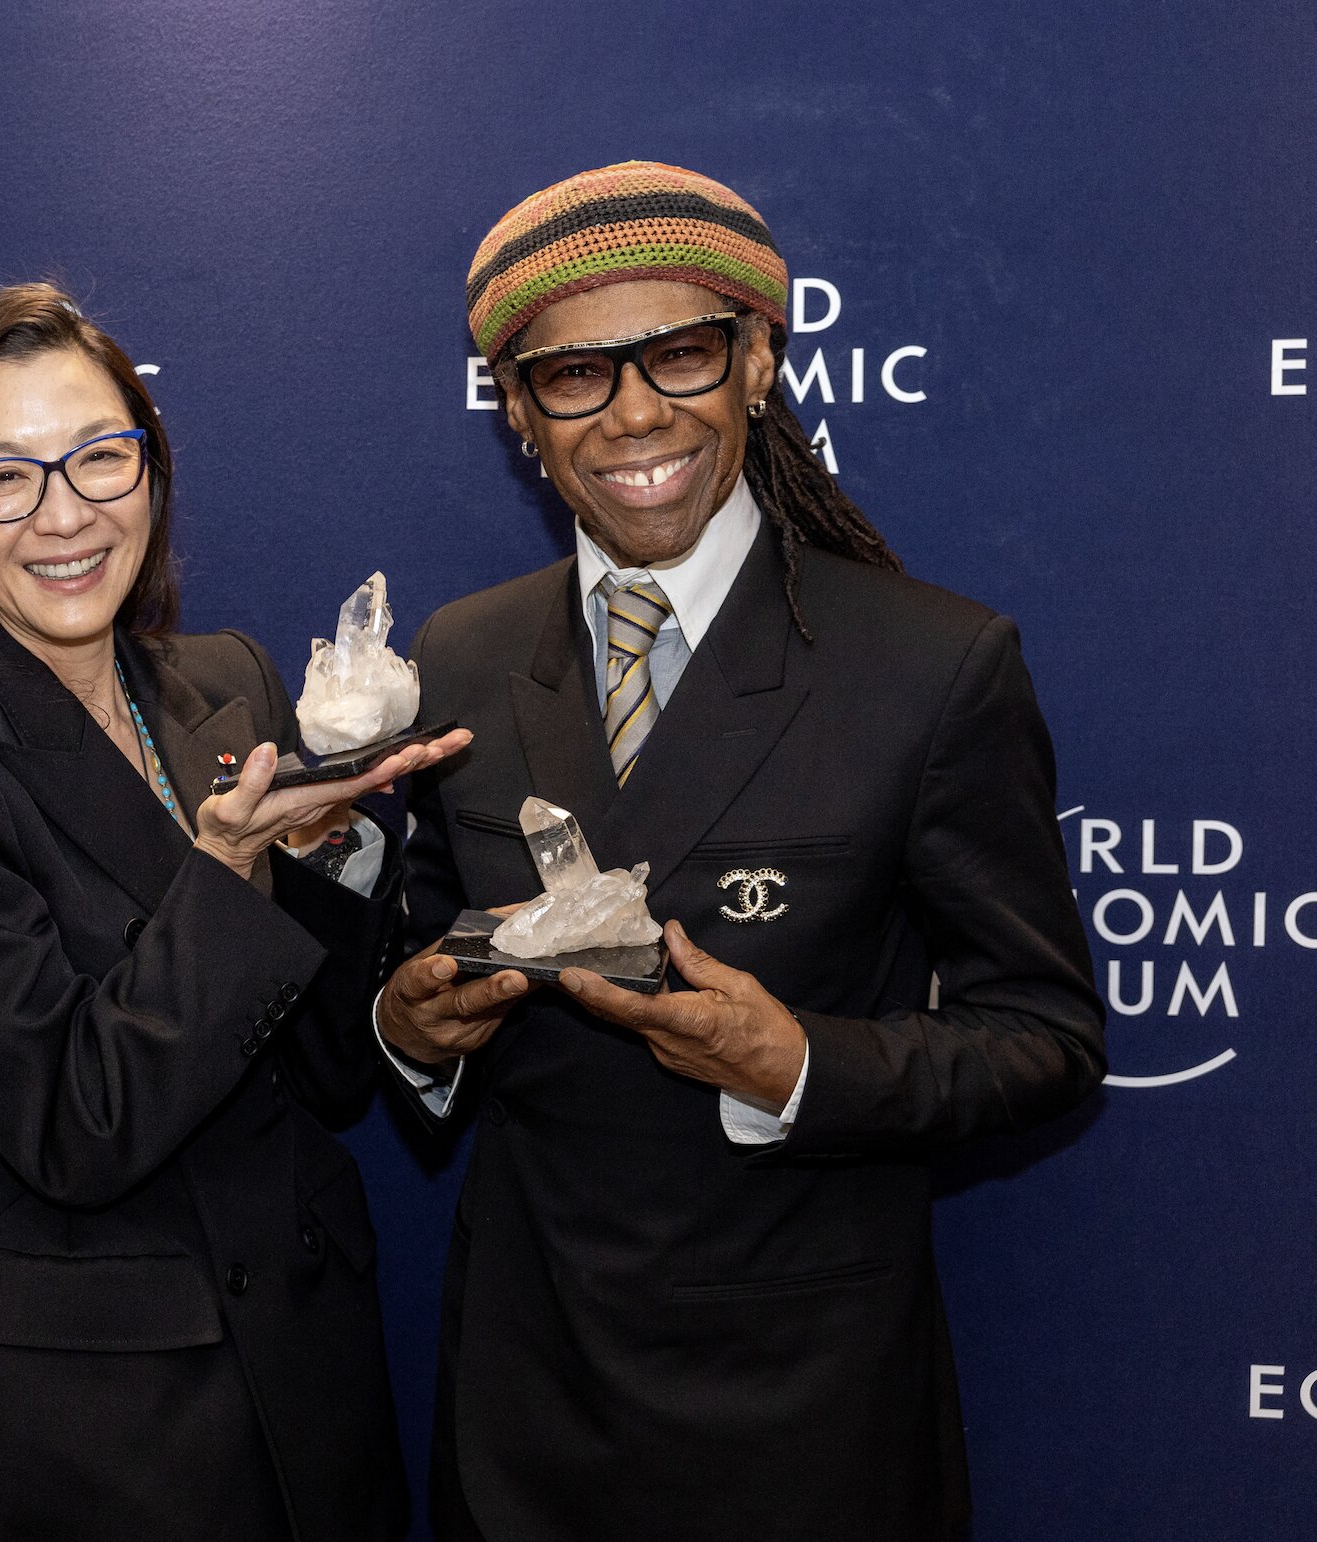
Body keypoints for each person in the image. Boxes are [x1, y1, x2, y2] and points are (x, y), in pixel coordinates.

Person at [374, 161, 1106, 1540]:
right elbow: (419, 952)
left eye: (681, 353)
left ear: (756, 360)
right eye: (576, 375)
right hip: (530, 1390)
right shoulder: (458, 655)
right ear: (520, 413)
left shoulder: (929, 662)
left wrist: (804, 1066)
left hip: (805, 1407)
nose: (635, 411)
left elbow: (1045, 1034)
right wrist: (408, 1025)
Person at [0, 283, 463, 1541]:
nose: (65, 514)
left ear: (150, 470)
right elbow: (75, 1121)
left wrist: (334, 855)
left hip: (310, 1366)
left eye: (100, 459)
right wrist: (224, 873)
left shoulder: (222, 679)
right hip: (93, 1423)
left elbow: (327, 1073)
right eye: (4, 478)